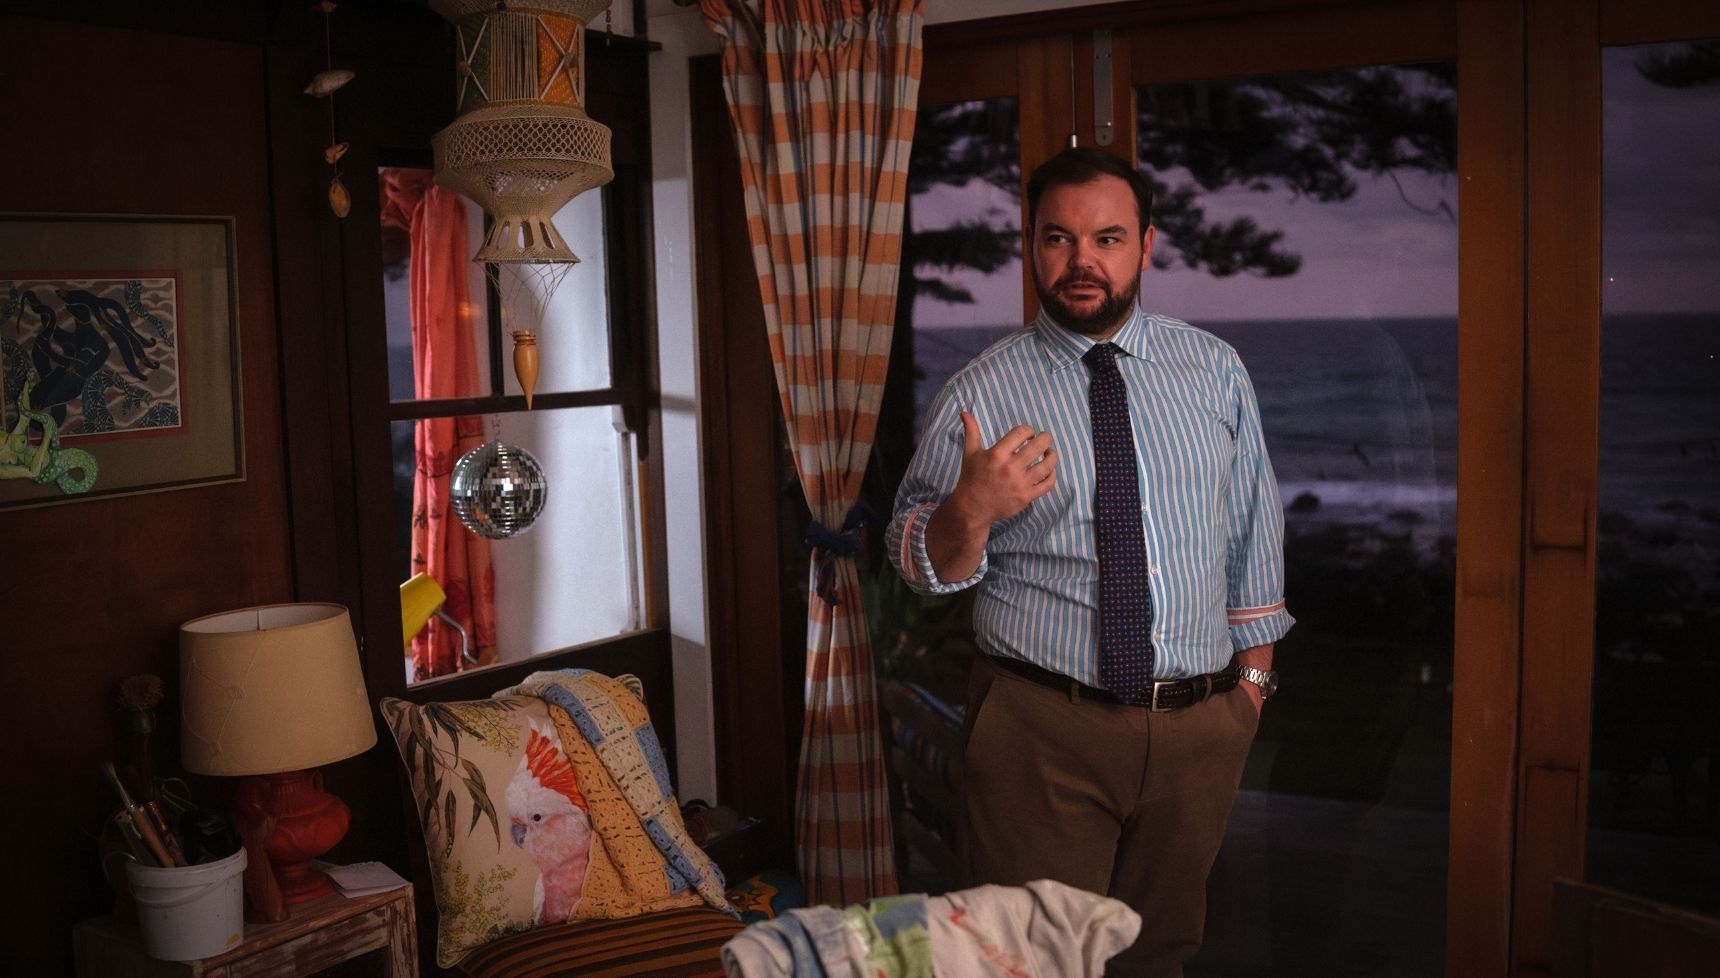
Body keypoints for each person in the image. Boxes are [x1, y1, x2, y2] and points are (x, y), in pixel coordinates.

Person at [885, 147, 1293, 978]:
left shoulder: (1214, 371)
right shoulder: (981, 394)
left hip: (1198, 733)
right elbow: (917, 564)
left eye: (1107, 238)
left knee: (1161, 957)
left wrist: (1248, 694)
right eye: (1058, 239)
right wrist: (973, 506)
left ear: (1146, 245)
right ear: (1030, 249)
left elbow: (1254, 535)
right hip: (1042, 735)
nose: (1082, 262)